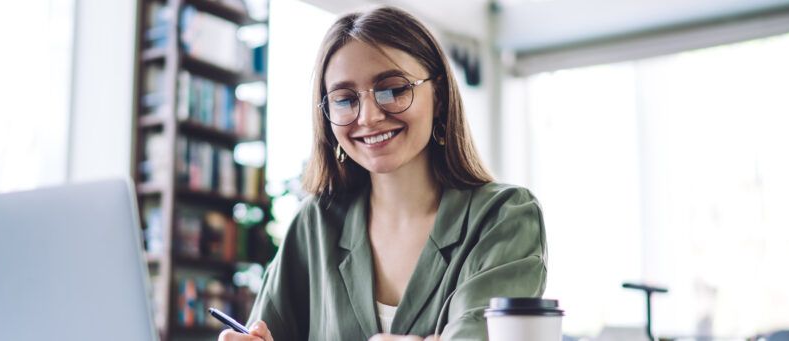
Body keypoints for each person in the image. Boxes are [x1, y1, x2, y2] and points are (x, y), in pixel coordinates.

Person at [220, 6, 546, 341]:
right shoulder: (314, 224)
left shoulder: (504, 216)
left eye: (394, 89)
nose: (369, 117)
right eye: (344, 99)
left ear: (440, 95)